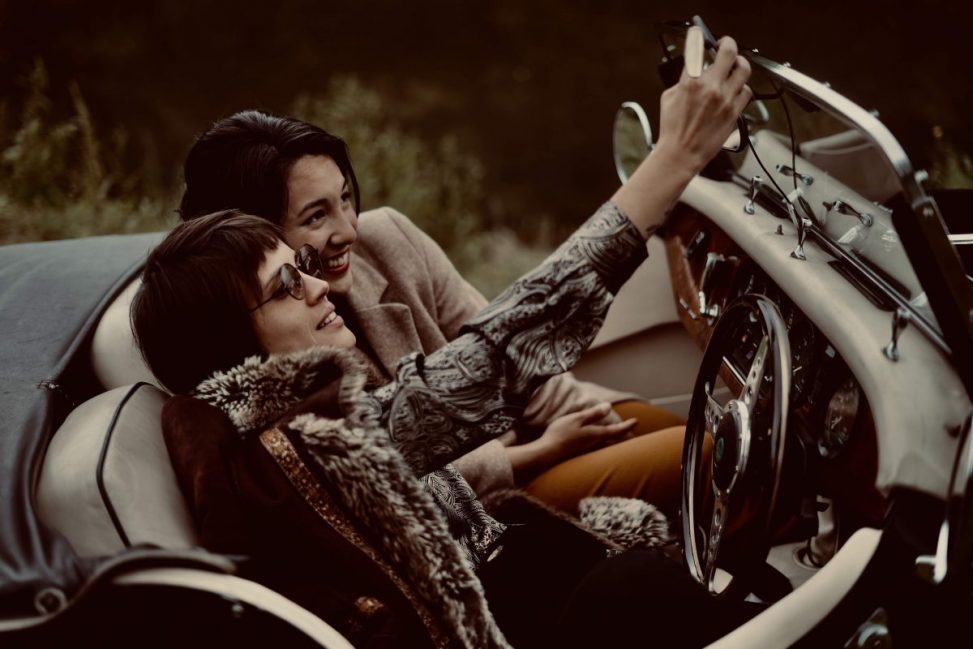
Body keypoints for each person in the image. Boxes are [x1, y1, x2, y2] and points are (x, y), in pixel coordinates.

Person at [133, 36, 754, 648]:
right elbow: (499, 349)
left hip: (519, 573)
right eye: (286, 284)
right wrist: (671, 160)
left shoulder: (296, 425)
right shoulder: (309, 447)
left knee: (667, 563)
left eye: (304, 267)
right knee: (643, 578)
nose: (317, 284)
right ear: (232, 336)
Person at [176, 104, 690, 517]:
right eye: (315, 216)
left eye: (345, 199)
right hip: (489, 503)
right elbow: (406, 459)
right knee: (713, 459)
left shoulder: (387, 238)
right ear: (248, 239)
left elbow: (508, 355)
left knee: (694, 433)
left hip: (536, 433)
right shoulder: (266, 359)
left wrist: (590, 420)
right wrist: (544, 450)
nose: (349, 230)